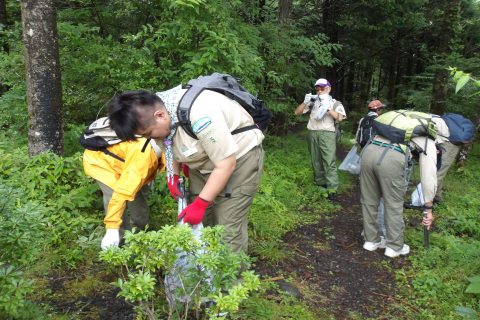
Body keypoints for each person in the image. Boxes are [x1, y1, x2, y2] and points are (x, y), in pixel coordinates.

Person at [108, 88, 265, 254]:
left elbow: (226, 163)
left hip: (238, 159)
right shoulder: (160, 112)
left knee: (227, 228)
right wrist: (173, 174)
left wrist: (201, 203)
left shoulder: (202, 115)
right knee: (202, 223)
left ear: (160, 115)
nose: (150, 139)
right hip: (202, 163)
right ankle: (205, 270)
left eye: (149, 134)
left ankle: (233, 278)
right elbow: (169, 143)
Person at [360, 111, 436, 258]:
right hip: (391, 157)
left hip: (368, 151)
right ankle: (394, 247)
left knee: (369, 200)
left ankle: (371, 241)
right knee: (393, 203)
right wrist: (429, 206)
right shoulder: (429, 139)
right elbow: (428, 175)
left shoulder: (397, 124)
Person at [83, 129, 165, 250]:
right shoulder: (144, 155)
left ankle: (140, 235)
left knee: (137, 195)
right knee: (115, 197)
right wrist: (112, 227)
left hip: (125, 160)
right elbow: (123, 192)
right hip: (101, 162)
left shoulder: (163, 146)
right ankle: (118, 241)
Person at [294, 78, 346, 200]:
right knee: (315, 159)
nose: (319, 91)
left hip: (327, 134)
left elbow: (340, 118)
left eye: (322, 88)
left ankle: (332, 188)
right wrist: (305, 102)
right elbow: (297, 112)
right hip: (312, 132)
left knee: (329, 161)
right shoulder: (313, 102)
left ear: (329, 88)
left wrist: (327, 108)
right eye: (317, 89)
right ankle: (320, 184)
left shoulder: (335, 103)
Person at [355, 99, 386, 238]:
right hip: (377, 153)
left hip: (364, 152)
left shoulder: (363, 119)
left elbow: (358, 137)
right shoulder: (382, 120)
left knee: (367, 186)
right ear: (378, 110)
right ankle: (379, 230)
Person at [431, 116, 461, 204]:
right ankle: (437, 197)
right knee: (436, 170)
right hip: (442, 138)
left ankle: (424, 201)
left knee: (439, 171)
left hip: (450, 142)